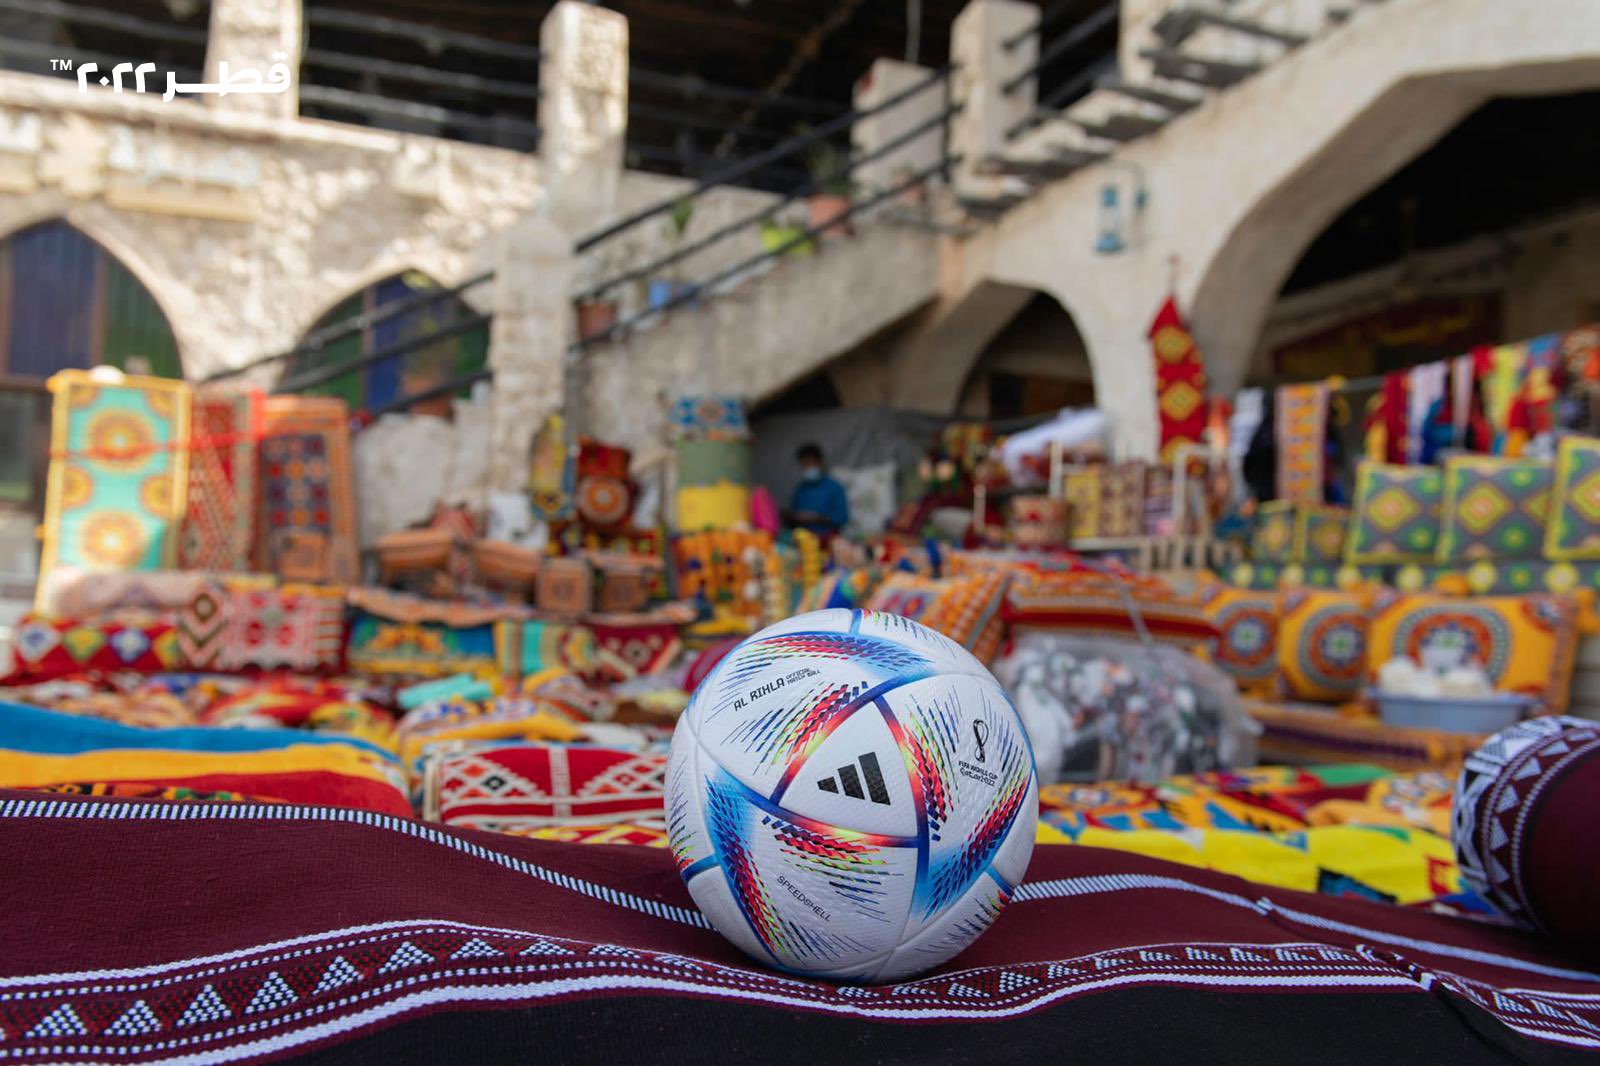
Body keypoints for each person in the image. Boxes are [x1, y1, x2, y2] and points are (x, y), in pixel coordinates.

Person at [784, 442, 849, 538]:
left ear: (820, 463)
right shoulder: (800, 489)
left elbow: (842, 518)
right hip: (803, 537)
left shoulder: (834, 487)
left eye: (811, 463)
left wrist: (816, 517)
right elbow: (793, 514)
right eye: (804, 464)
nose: (808, 467)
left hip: (827, 537)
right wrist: (793, 516)